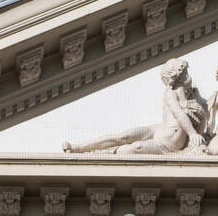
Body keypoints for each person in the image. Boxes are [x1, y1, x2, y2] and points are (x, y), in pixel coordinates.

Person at [62, 59, 205, 154]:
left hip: (166, 146)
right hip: (159, 134)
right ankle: (78, 148)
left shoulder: (193, 97)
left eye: (185, 71)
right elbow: (178, 113)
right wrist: (192, 134)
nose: (187, 75)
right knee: (123, 136)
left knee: (137, 148)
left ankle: (110, 152)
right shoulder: (170, 93)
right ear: (176, 76)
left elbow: (202, 120)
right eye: (183, 72)